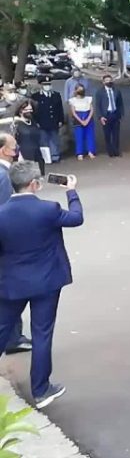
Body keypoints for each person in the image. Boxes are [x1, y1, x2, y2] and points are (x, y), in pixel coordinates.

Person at [0, 162, 82, 409]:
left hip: (12, 282)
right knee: (42, 333)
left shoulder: (2, 214)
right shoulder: (48, 209)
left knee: (2, 327)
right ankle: (41, 389)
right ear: (34, 184)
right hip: (47, 280)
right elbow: (76, 218)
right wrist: (71, 191)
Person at [0, 133, 32, 356]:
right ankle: (13, 338)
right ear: (3, 150)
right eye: (13, 147)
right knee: (11, 292)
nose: (16, 150)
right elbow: (5, 211)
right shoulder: (3, 176)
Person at [30, 76, 64, 164]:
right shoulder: (36, 96)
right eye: (45, 84)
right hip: (42, 122)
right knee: (44, 141)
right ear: (41, 85)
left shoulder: (56, 95)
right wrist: (36, 122)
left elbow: (60, 109)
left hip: (54, 121)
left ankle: (55, 156)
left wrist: (61, 120)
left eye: (49, 84)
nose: (47, 86)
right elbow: (33, 111)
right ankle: (46, 158)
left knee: (54, 140)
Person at [93, 74, 124, 158]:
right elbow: (98, 105)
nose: (109, 82)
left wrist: (121, 114)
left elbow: (120, 103)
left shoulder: (117, 90)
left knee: (116, 134)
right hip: (106, 115)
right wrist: (100, 117)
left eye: (110, 80)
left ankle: (116, 151)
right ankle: (110, 151)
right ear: (103, 82)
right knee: (107, 134)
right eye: (106, 81)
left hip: (115, 114)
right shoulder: (100, 92)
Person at [13, 101, 45, 175]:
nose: (29, 111)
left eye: (31, 109)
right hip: (24, 153)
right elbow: (14, 140)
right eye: (27, 110)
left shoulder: (32, 121)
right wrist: (19, 155)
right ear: (20, 110)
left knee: (39, 175)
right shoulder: (16, 124)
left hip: (37, 152)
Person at [68, 84, 96, 161]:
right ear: (75, 91)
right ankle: (80, 153)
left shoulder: (88, 99)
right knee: (79, 136)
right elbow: (73, 112)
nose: (81, 91)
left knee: (90, 135)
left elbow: (92, 110)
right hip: (78, 117)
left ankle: (90, 151)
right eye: (79, 89)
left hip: (88, 116)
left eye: (82, 89)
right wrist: (81, 121)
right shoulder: (72, 100)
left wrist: (88, 119)